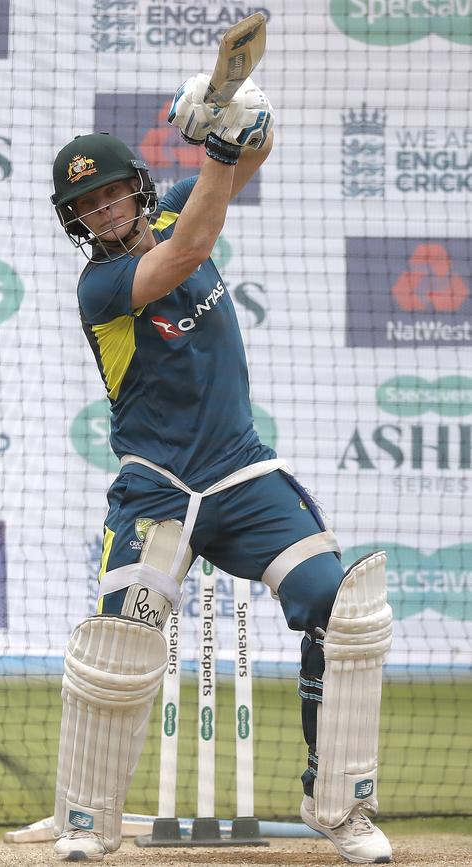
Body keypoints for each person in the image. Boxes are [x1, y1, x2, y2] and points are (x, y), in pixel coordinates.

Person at [49, 73, 393, 864]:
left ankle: (339, 806)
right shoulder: (101, 287)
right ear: (76, 224)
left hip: (241, 473)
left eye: (111, 195)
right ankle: (85, 822)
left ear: (137, 189)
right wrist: (218, 145)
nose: (103, 212)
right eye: (86, 208)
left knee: (341, 611)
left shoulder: (176, 201)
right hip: (156, 486)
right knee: (118, 642)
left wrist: (236, 113)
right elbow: (191, 249)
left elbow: (253, 151)